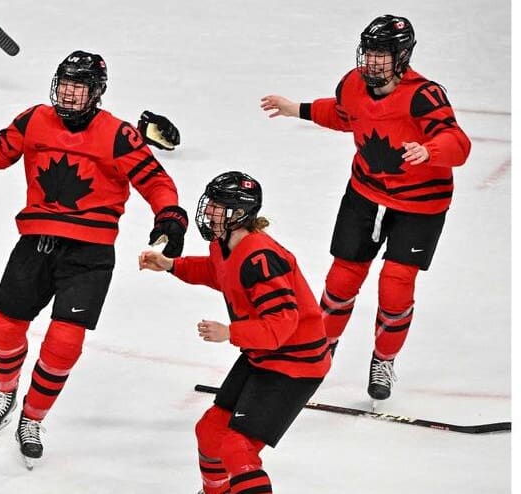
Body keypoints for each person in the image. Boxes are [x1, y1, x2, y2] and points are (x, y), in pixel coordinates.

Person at [0, 50, 188, 466]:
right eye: (66, 84)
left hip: (90, 253)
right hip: (36, 241)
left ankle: (33, 417)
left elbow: (154, 179)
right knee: (3, 329)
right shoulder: (35, 119)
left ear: (96, 93)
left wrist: (170, 216)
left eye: (79, 87)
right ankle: (5, 390)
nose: (70, 94)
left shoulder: (118, 134)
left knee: (64, 342)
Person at [260, 14, 471, 400]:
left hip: (420, 205)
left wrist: (430, 150)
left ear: (402, 56)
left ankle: (384, 361)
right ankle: (318, 350)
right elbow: (343, 116)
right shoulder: (352, 84)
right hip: (366, 193)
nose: (373, 61)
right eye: (370, 52)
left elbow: (459, 142)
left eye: (383, 54)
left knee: (395, 286)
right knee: (342, 279)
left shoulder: (424, 95)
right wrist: (298, 109)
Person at [138, 171, 331, 494]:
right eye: (210, 203)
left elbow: (281, 325)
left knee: (235, 447)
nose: (209, 211)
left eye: (218, 205)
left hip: (295, 365)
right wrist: (171, 265)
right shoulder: (224, 245)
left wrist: (230, 332)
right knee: (211, 432)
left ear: (239, 213)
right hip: (264, 357)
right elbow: (219, 272)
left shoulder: (261, 258)